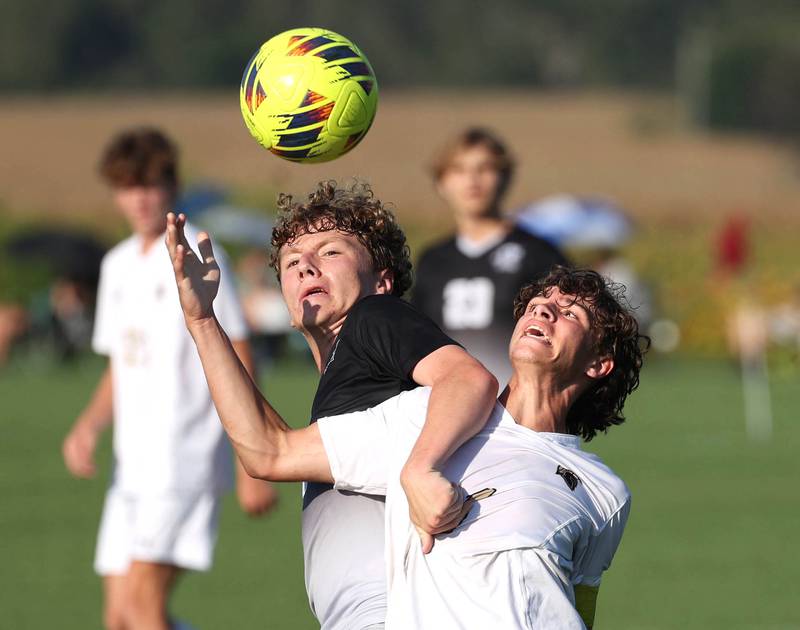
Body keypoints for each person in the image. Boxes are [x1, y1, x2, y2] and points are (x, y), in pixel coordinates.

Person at [169, 263, 645, 628]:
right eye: (540, 301)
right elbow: (270, 451)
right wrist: (203, 321)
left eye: (569, 312)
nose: (543, 309)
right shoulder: (426, 416)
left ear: (599, 364)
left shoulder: (606, 493)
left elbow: (579, 610)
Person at [165, 181, 498, 630]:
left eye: (330, 252)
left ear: (382, 280)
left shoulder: (374, 317)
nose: (305, 266)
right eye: (291, 261)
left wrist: (422, 467)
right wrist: (202, 319)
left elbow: (467, 379)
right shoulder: (351, 373)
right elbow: (266, 447)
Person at [61, 128, 277, 630]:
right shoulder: (116, 266)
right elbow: (121, 364)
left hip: (184, 458)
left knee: (142, 608)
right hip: (130, 468)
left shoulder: (198, 252)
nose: (139, 197)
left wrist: (252, 462)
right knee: (118, 618)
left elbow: (241, 354)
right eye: (127, 186)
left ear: (172, 186)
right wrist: (89, 425)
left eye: (150, 184)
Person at [413, 128, 569, 385]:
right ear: (441, 183)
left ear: (505, 177)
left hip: (519, 407)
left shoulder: (539, 254)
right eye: (459, 170)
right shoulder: (432, 260)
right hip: (448, 403)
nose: (472, 180)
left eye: (484, 168)